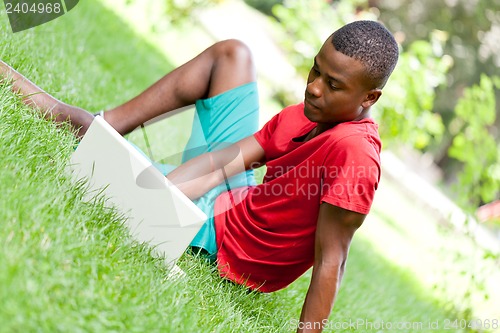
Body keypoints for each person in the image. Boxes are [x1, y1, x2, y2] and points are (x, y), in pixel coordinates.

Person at [0, 20, 399, 333]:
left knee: (71, 122)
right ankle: (107, 127)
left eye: (332, 85)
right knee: (233, 55)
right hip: (229, 202)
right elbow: (230, 160)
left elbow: (332, 260)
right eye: (315, 70)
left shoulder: (356, 155)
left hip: (230, 245)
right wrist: (164, 196)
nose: (313, 89)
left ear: (369, 98)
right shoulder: (314, 110)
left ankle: (91, 128)